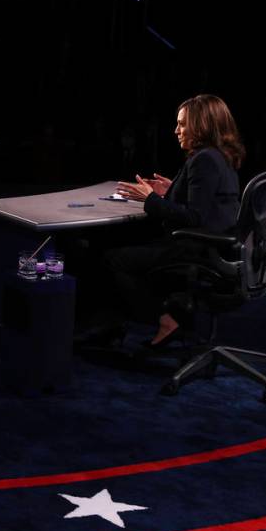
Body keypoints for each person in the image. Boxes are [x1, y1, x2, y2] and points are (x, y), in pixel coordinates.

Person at [106, 94, 243, 347]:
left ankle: (166, 319)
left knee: (116, 258)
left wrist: (149, 199)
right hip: (216, 246)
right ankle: (176, 313)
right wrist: (172, 190)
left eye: (182, 124)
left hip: (196, 250)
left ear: (201, 125)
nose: (176, 130)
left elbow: (194, 217)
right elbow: (211, 202)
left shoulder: (204, 159)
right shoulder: (221, 155)